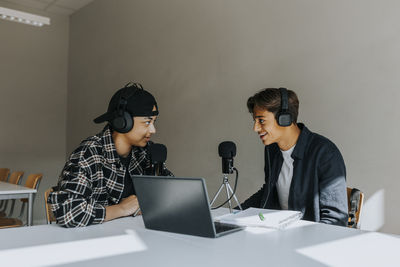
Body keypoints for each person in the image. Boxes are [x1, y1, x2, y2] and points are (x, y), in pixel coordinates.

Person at [48, 82, 173, 227]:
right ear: (122, 122)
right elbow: (69, 212)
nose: (153, 130)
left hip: (137, 235)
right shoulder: (89, 153)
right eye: (147, 122)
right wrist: (122, 209)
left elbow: (169, 195)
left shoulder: (147, 153)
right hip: (92, 242)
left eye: (154, 122)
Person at [241, 87, 348, 226]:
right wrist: (234, 214)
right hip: (279, 235)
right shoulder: (272, 150)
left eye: (261, 120)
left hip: (308, 241)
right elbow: (269, 191)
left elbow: (336, 219)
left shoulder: (325, 153)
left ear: (284, 119)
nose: (255, 128)